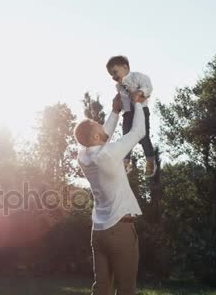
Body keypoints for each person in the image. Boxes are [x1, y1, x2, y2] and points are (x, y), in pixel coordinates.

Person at [74, 93, 146, 295]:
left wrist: (115, 111)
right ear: (96, 137)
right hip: (119, 230)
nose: (101, 127)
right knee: (125, 289)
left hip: (99, 232)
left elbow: (99, 136)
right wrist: (138, 104)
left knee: (102, 289)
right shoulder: (109, 153)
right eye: (98, 125)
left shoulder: (83, 156)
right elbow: (138, 131)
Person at [106, 55, 157, 177]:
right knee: (126, 136)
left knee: (144, 136)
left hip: (141, 110)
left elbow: (148, 87)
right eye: (111, 75)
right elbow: (122, 98)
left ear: (125, 67)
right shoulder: (119, 86)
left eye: (115, 72)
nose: (113, 77)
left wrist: (139, 92)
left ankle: (150, 161)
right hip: (128, 113)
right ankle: (125, 162)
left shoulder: (138, 77)